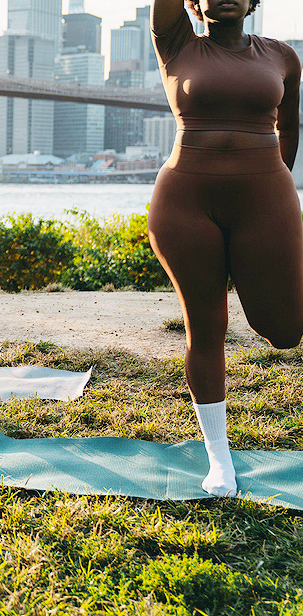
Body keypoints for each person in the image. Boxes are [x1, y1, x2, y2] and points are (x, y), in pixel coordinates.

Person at [149, 0, 302, 496]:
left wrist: (273, 185)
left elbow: (290, 125)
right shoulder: (175, 42)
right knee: (207, 323)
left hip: (265, 195)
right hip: (186, 201)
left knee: (285, 329)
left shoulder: (282, 57)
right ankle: (219, 461)